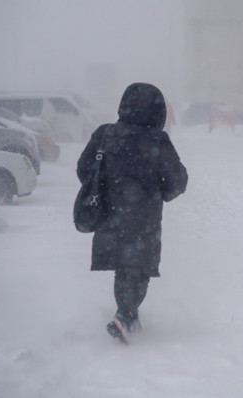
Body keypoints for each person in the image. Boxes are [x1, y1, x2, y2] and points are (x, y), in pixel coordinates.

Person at [77, 83, 188, 343]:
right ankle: (126, 315)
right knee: (135, 269)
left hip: (110, 214)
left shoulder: (105, 134)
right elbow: (177, 181)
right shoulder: (157, 140)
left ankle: (128, 316)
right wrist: (157, 192)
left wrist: (106, 191)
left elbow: (84, 168)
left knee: (123, 266)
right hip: (144, 219)